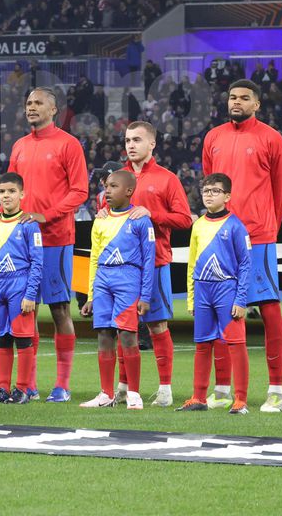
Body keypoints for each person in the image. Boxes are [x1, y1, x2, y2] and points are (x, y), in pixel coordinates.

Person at [201, 80, 282, 413]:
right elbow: (211, 186)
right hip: (221, 236)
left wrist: (268, 226)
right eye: (232, 96)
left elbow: (281, 190)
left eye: (244, 98)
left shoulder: (271, 138)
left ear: (257, 104)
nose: (236, 102)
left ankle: (276, 391)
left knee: (269, 309)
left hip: (259, 236)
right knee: (222, 312)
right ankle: (223, 389)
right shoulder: (213, 137)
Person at [7, 87, 89, 402]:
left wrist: (48, 215)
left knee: (58, 309)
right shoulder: (19, 146)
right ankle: (27, 383)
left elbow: (80, 190)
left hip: (56, 239)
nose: (31, 107)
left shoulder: (68, 144)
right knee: (24, 310)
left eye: (38, 103)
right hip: (22, 242)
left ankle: (62, 384)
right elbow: (10, 190)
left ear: (53, 109)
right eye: (28, 102)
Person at [116, 120, 191, 407]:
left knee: (157, 325)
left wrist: (152, 213)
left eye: (136, 140)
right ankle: (123, 388)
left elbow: (184, 219)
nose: (131, 145)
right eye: (127, 140)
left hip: (155, 262)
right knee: (123, 328)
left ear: (152, 144)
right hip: (122, 266)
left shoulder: (166, 179)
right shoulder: (119, 177)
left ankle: (165, 389)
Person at [79, 170, 155, 410]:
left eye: (113, 186)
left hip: (128, 277)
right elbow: (93, 258)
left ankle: (133, 393)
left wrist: (145, 295)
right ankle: (105, 394)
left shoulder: (141, 220)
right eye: (106, 187)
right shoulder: (100, 219)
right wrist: (90, 294)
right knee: (103, 334)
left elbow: (149, 260)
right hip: (103, 278)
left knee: (127, 335)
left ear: (129, 191)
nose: (107, 191)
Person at [176, 173, 251, 415]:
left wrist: (241, 299)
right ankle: (198, 398)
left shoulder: (236, 226)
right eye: (206, 191)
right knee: (202, 345)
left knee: (236, 344)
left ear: (227, 196)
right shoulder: (197, 225)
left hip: (226, 289)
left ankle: (240, 400)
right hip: (202, 289)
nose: (209, 195)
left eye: (215, 191)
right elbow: (191, 263)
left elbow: (246, 265)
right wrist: (191, 298)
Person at [0, 172, 43, 404]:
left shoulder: (29, 224)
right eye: (3, 192)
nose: (6, 196)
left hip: (19, 284)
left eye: (12, 191)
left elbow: (37, 261)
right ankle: (3, 389)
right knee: (3, 338)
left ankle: (22, 390)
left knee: (23, 338)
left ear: (22, 194)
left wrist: (30, 294)